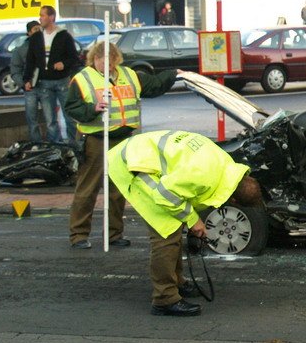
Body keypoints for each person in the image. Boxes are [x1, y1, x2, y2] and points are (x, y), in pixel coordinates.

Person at [108, 130, 264, 317]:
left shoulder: (225, 165)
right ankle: (164, 299)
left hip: (141, 153)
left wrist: (191, 219)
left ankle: (177, 283)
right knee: (166, 233)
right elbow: (165, 194)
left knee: (176, 221)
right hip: (133, 165)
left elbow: (189, 191)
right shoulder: (204, 178)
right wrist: (193, 220)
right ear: (234, 202)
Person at [63, 42, 177, 250]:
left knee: (118, 189)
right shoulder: (83, 79)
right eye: (100, 60)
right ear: (94, 59)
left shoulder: (130, 75)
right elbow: (71, 107)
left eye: (109, 60)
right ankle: (78, 234)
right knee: (88, 188)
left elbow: (154, 86)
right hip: (96, 139)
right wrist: (93, 109)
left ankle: (114, 233)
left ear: (116, 60)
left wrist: (174, 74)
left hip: (124, 139)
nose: (105, 64)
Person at [24, 5, 83, 147]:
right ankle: (54, 145)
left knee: (68, 114)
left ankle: (74, 144)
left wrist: (64, 64)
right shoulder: (36, 37)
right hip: (44, 82)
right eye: (40, 15)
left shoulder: (64, 36)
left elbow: (74, 58)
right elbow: (30, 60)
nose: (40, 18)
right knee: (50, 118)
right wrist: (27, 79)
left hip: (62, 81)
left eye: (43, 15)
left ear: (51, 17)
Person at [10, 21, 44, 143]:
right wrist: (24, 83)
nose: (39, 32)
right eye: (35, 29)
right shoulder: (20, 50)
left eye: (40, 29)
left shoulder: (48, 46)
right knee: (32, 119)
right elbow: (15, 71)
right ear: (28, 33)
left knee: (52, 120)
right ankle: (36, 143)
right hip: (31, 89)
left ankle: (54, 144)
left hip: (47, 87)